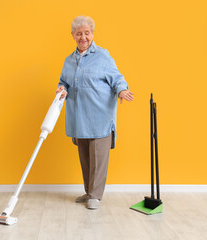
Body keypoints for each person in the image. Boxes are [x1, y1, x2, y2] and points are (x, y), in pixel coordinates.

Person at [56, 15, 134, 209]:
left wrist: (122, 90)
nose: (83, 37)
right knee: (85, 158)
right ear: (73, 35)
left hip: (100, 118)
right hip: (79, 118)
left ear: (92, 34)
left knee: (98, 159)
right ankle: (89, 191)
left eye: (87, 33)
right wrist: (61, 89)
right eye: (79, 33)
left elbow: (117, 78)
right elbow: (63, 82)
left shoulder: (103, 56)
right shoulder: (69, 60)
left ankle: (96, 196)